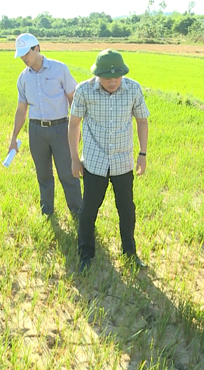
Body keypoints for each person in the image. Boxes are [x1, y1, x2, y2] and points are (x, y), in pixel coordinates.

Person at [68, 49, 149, 273]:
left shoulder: (133, 88)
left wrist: (143, 153)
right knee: (88, 210)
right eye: (107, 78)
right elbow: (74, 124)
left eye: (117, 77)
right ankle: (86, 254)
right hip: (94, 161)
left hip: (123, 161)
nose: (112, 82)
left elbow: (142, 121)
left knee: (127, 209)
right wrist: (75, 159)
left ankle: (130, 253)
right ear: (97, 75)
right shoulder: (84, 90)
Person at [8, 33, 82, 218]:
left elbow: (73, 98)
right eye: (21, 55)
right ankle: (47, 211)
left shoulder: (59, 69)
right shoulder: (23, 78)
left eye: (27, 53)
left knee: (68, 173)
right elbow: (21, 110)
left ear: (37, 48)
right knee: (43, 175)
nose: (24, 58)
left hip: (60, 129)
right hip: (36, 131)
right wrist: (13, 138)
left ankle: (78, 212)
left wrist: (77, 129)